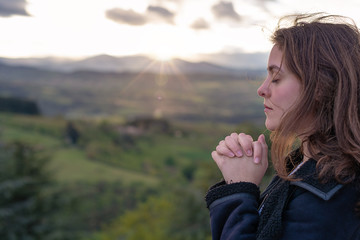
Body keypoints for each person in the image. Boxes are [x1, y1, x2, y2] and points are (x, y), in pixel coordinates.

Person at [205, 13, 360, 240]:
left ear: (320, 87)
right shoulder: (305, 166)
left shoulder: (326, 200)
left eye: (276, 78)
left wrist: (239, 190)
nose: (262, 89)